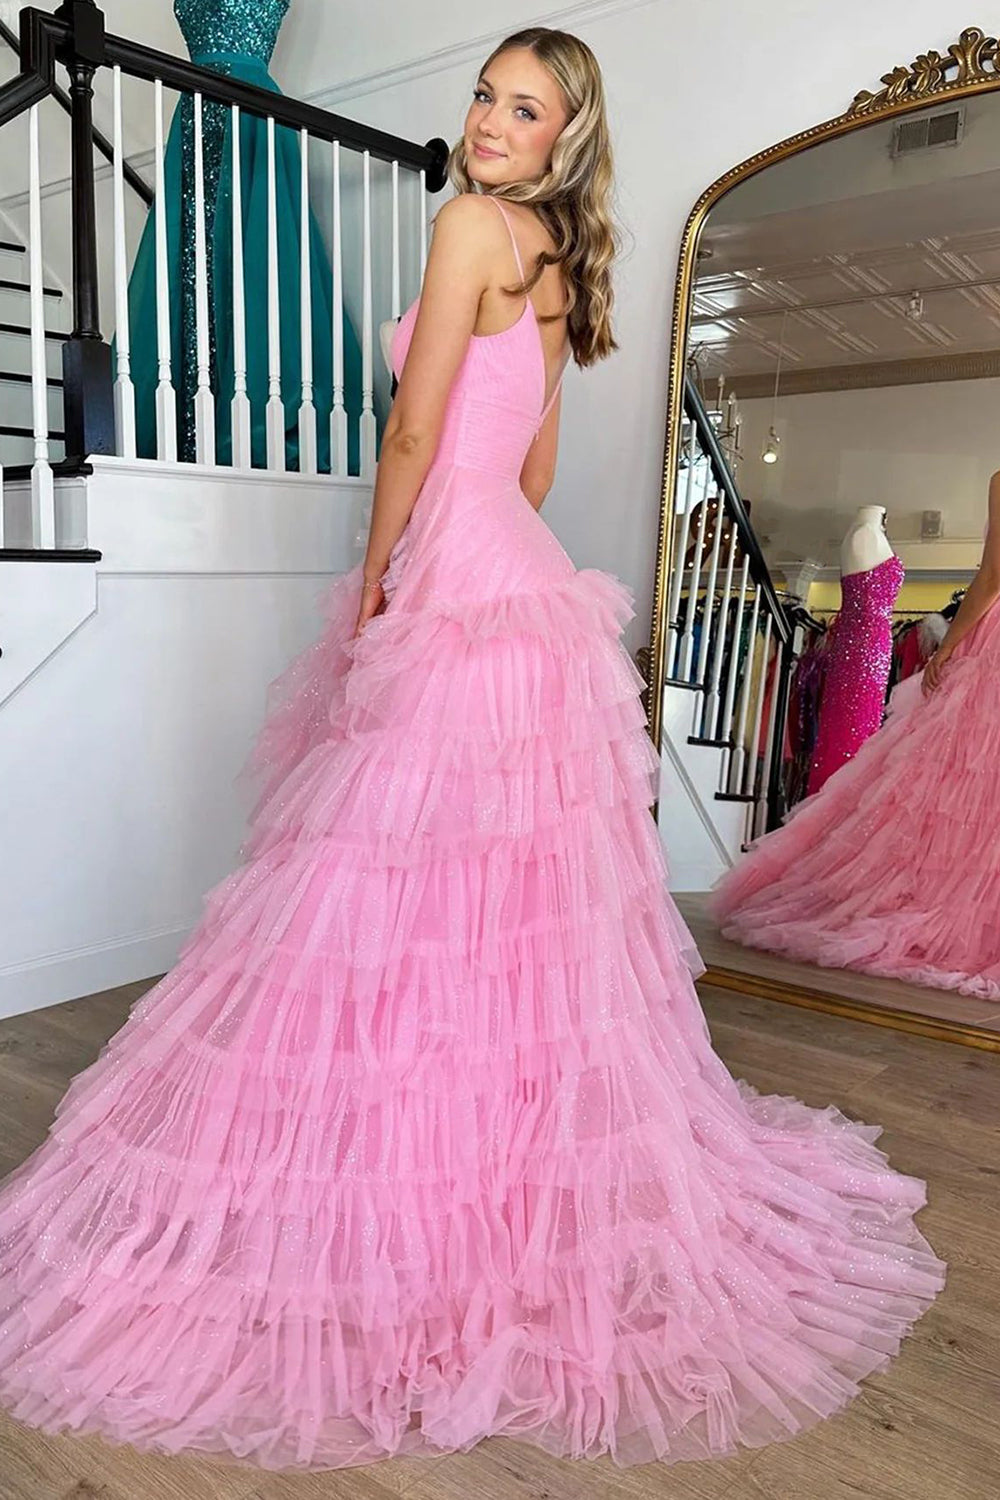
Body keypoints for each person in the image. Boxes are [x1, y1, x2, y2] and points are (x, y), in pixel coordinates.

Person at [0, 27, 945, 1473]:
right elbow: (537, 470)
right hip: (525, 574)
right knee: (508, 900)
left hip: (451, 572)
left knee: (383, 876)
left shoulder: (463, 226)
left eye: (525, 109)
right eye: (486, 98)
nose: (492, 122)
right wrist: (456, 532)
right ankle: (490, 1167)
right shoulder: (558, 263)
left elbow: (412, 430)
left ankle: (407, 1171)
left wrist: (379, 583)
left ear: (565, 135)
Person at [712, 469, 1000, 998]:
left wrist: (952, 644)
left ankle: (937, 904)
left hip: (986, 644)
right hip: (859, 658)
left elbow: (993, 574)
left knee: (957, 777)